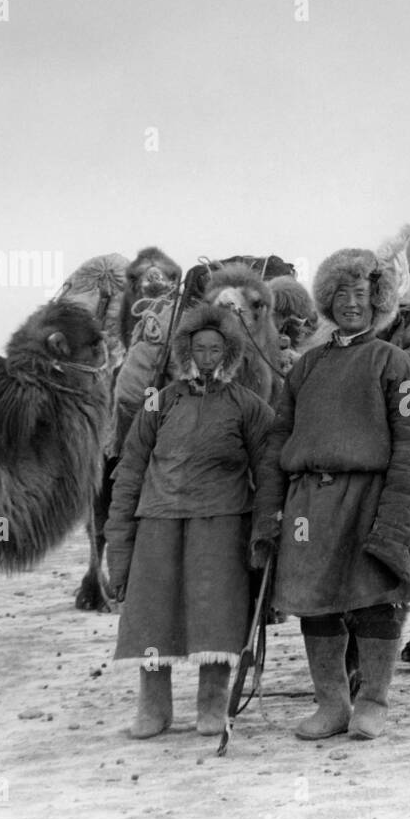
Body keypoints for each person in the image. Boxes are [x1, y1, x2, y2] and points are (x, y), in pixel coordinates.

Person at [252, 248, 410, 741]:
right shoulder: (305, 369)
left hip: (370, 496)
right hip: (310, 503)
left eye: (363, 294)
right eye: (342, 294)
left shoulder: (396, 363)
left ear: (377, 302)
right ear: (328, 301)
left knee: (376, 601)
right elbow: (276, 444)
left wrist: (396, 519)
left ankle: (373, 702)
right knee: (317, 603)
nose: (353, 303)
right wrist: (270, 512)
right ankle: (332, 705)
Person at [106, 302, 274, 739]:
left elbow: (270, 468)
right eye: (199, 348)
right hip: (158, 522)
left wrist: (264, 530)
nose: (206, 357)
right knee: (151, 615)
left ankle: (212, 705)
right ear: (186, 352)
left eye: (215, 349)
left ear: (229, 353)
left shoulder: (247, 406)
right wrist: (119, 542)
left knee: (214, 616)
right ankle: (153, 707)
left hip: (220, 524)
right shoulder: (159, 404)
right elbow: (129, 472)